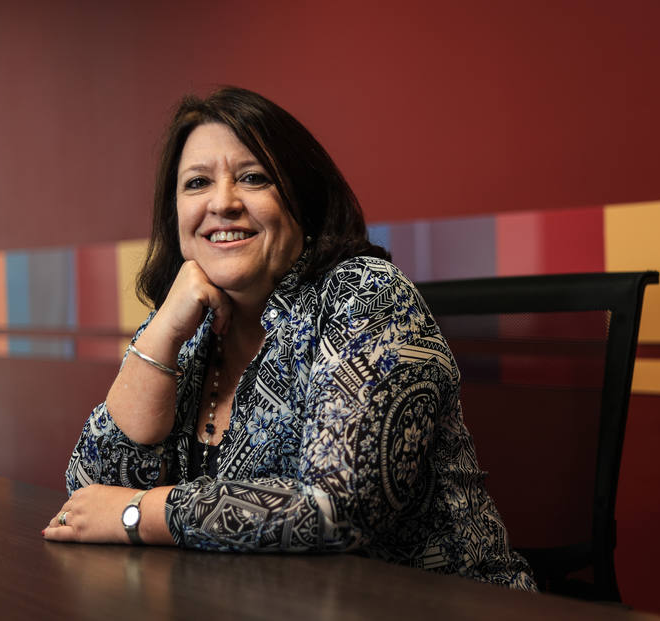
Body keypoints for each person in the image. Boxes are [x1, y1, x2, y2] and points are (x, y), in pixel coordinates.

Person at [43, 86, 536, 591]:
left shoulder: (366, 296)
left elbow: (337, 507)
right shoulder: (187, 326)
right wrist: (162, 334)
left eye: (253, 178)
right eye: (197, 183)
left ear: (303, 198)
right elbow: (87, 495)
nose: (223, 203)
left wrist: (138, 513)